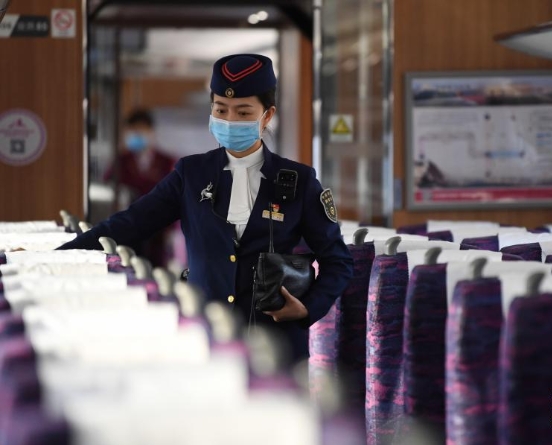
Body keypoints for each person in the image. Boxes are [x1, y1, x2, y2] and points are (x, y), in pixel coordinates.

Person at [58, 54, 354, 362]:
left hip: (275, 344)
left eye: (243, 112)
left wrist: (307, 307)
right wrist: (57, 256)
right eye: (220, 109)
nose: (230, 120)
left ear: (267, 116)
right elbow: (129, 224)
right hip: (203, 337)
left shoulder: (298, 180)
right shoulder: (191, 174)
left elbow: (338, 260)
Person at [104, 109, 176, 267]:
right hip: (127, 231)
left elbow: (177, 197)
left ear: (151, 132)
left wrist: (171, 230)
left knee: (156, 270)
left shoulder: (166, 162)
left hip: (158, 234)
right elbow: (107, 192)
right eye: (133, 131)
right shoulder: (121, 162)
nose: (137, 135)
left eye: (141, 130)